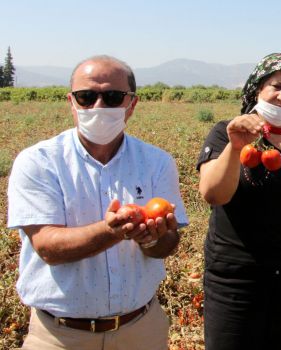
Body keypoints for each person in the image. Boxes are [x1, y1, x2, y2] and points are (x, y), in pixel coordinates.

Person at [7, 55, 189, 350]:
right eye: (87, 97)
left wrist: (153, 238)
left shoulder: (156, 162)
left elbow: (167, 244)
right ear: (71, 102)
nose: (99, 107)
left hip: (141, 330)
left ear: (132, 104)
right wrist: (113, 231)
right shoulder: (39, 162)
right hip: (60, 336)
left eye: (113, 97)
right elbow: (48, 247)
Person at [197, 53, 281, 349]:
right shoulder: (224, 132)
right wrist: (235, 146)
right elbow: (214, 194)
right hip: (237, 276)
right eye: (276, 86)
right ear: (257, 90)